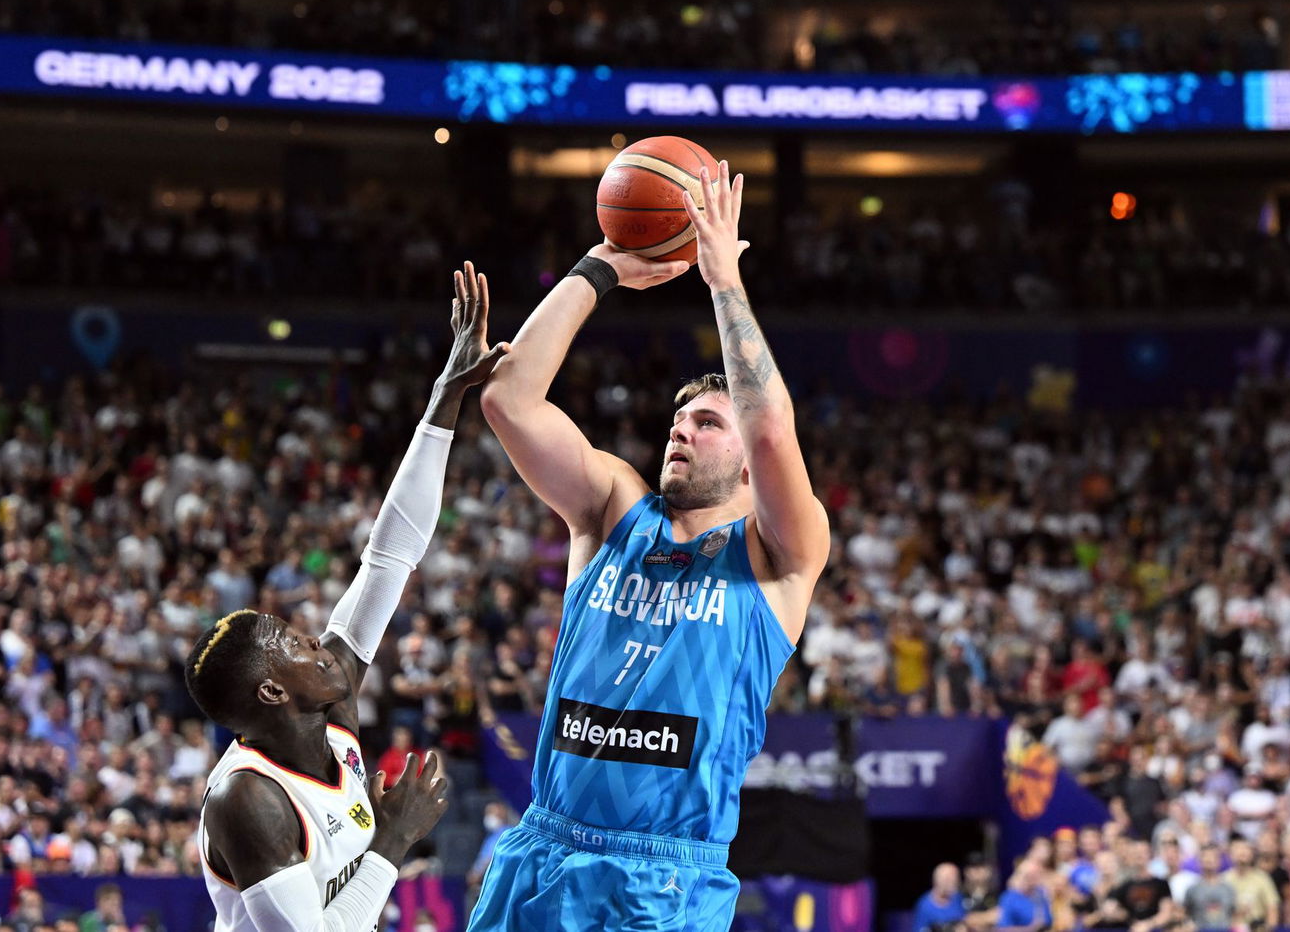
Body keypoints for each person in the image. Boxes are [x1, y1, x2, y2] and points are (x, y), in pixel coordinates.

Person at [468, 161, 830, 932]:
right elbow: (506, 399)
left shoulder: (777, 553)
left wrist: (721, 279)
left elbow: (769, 426)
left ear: (741, 461)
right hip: (542, 845)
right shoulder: (610, 510)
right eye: (678, 419)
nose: (681, 429)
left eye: (707, 423)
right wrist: (601, 268)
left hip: (664, 876)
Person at [188, 263, 507, 932]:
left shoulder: (332, 702)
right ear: (274, 693)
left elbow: (391, 554)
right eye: (294, 646)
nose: (317, 640)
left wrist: (445, 396)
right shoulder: (247, 799)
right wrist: (394, 840)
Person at [914, 863, 969, 932]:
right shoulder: (925, 905)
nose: (952, 883)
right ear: (936, 880)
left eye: (954, 879)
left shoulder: (960, 898)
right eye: (947, 879)